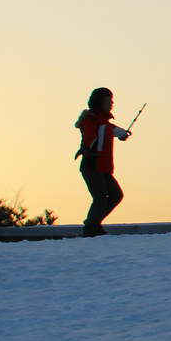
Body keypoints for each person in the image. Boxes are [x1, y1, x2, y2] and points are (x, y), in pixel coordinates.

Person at [75, 87, 129, 237]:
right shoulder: (92, 119)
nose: (111, 103)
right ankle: (91, 228)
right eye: (108, 100)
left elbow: (108, 129)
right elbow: (91, 136)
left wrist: (121, 133)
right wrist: (85, 148)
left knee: (115, 195)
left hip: (102, 167)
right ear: (100, 101)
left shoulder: (102, 121)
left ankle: (94, 223)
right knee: (100, 197)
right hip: (93, 165)